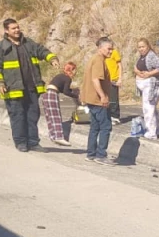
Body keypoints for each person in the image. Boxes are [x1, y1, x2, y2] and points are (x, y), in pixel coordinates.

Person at [0, 18, 59, 152]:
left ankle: (33, 142)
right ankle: (21, 142)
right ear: (6, 31)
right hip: (13, 89)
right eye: (13, 28)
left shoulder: (28, 43)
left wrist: (52, 59)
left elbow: (41, 51)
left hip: (31, 88)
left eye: (17, 27)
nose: (17, 30)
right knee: (18, 116)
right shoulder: (0, 48)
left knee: (33, 116)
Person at [82, 37, 116, 165]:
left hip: (91, 99)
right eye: (109, 49)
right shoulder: (98, 60)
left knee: (94, 127)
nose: (111, 51)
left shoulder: (95, 59)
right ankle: (101, 155)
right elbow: (96, 80)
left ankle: (91, 153)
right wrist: (103, 96)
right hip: (97, 100)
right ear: (100, 48)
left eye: (112, 49)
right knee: (106, 126)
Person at [41, 62, 80, 147]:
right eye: (74, 70)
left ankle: (52, 135)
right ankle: (59, 137)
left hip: (46, 95)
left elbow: (62, 89)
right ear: (71, 70)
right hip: (52, 94)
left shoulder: (60, 76)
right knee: (56, 116)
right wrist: (76, 95)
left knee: (49, 116)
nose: (75, 72)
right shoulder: (67, 78)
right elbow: (66, 91)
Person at [134, 39, 159, 140]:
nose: (141, 49)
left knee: (148, 108)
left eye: (143, 46)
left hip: (152, 85)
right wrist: (138, 72)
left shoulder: (151, 55)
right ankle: (157, 130)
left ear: (148, 46)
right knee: (152, 108)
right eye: (139, 47)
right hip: (144, 84)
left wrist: (149, 74)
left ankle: (151, 132)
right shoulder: (141, 57)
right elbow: (136, 67)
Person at [104, 38, 122, 124]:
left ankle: (115, 116)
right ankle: (108, 116)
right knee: (107, 98)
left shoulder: (114, 53)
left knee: (114, 99)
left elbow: (119, 65)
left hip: (114, 79)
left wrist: (120, 78)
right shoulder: (104, 55)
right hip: (106, 80)